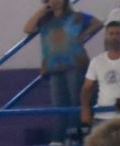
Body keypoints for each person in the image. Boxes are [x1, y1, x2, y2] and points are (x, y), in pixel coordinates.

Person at [26, 0, 103, 136]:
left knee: (76, 99)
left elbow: (98, 23)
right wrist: (43, 10)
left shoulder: (76, 17)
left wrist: (84, 35)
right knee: (59, 102)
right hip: (53, 66)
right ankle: (61, 133)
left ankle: (75, 132)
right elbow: (28, 29)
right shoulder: (45, 20)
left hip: (75, 64)